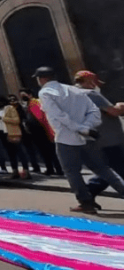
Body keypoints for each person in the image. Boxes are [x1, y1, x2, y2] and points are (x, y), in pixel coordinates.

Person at [34, 67, 124, 214]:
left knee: (72, 172)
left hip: (66, 138)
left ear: (41, 79)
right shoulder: (74, 90)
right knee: (103, 169)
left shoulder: (45, 92)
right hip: (87, 137)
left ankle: (86, 203)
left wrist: (80, 128)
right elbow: (93, 111)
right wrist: (87, 128)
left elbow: (58, 116)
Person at [73, 71, 124, 200]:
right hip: (109, 139)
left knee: (109, 169)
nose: (97, 84)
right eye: (96, 81)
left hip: (94, 139)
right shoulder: (91, 94)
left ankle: (88, 195)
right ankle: (87, 195)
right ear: (89, 80)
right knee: (117, 168)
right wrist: (120, 106)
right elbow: (114, 112)